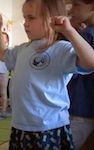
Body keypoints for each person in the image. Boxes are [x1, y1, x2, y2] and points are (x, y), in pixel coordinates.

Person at [0, 0, 94, 149]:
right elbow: (2, 55)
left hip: (49, 127)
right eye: (25, 18)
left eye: (31, 18)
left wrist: (69, 31)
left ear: (50, 18)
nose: (25, 23)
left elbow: (90, 62)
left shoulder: (61, 49)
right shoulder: (22, 49)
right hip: (21, 125)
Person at [67, 0, 94, 149]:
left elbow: (70, 72)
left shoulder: (85, 36)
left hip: (80, 107)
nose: (71, 11)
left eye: (76, 5)